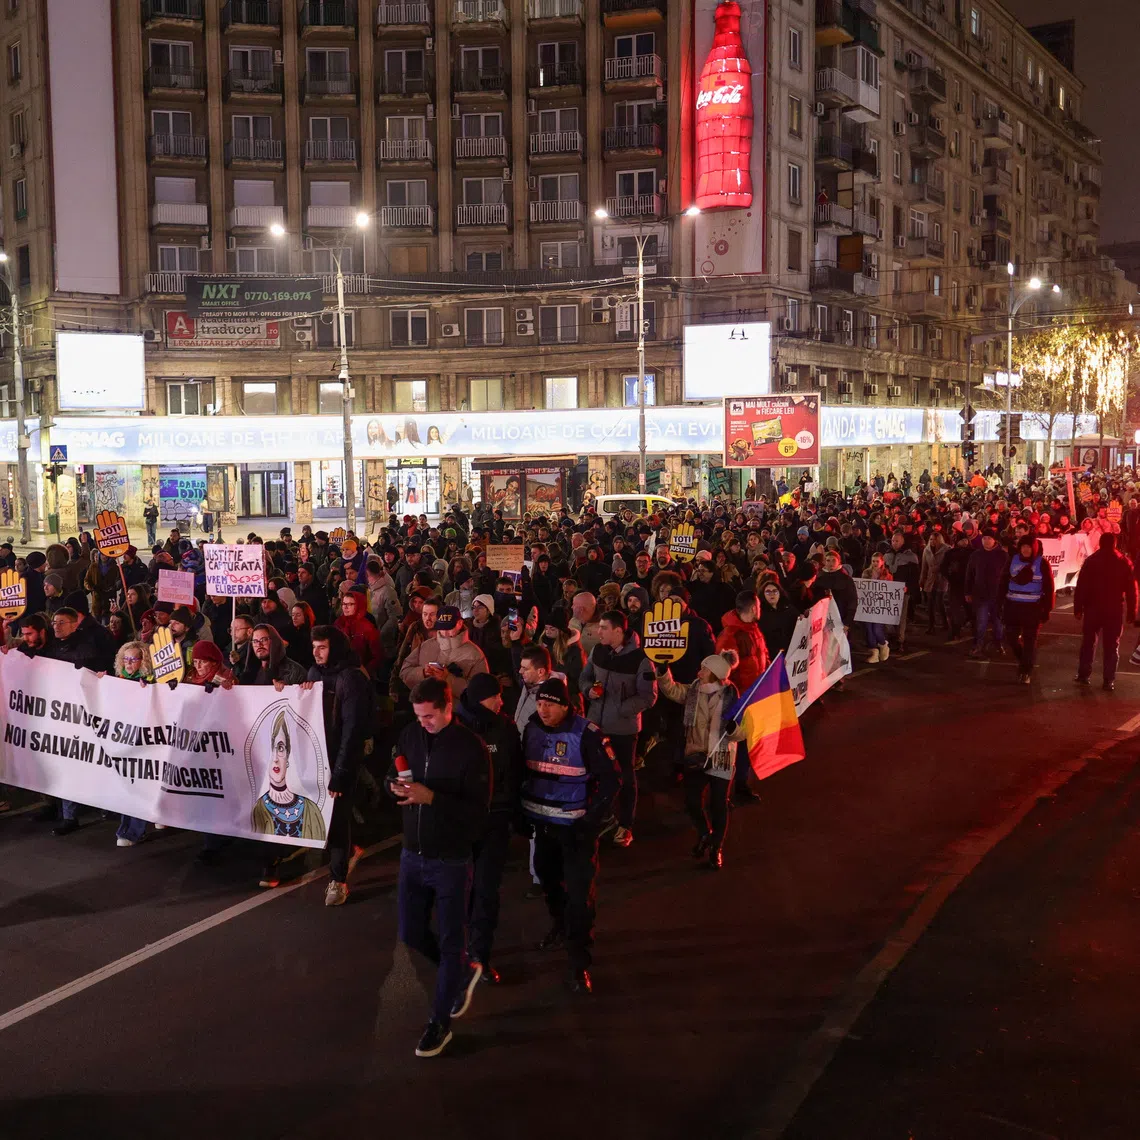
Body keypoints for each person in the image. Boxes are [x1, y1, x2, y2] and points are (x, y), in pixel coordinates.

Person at [386, 678, 491, 1059]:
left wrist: (432, 798)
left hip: (450, 859)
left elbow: (478, 814)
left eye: (429, 716)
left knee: (450, 941)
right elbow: (394, 775)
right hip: (412, 855)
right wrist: (393, 788)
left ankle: (439, 1023)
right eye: (418, 717)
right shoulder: (410, 735)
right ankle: (462, 972)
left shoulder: (471, 749)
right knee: (411, 933)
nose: (423, 723)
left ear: (448, 708)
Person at [522, 677, 621, 995]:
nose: (543, 709)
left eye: (550, 703)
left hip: (576, 832)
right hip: (544, 829)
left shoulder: (587, 734)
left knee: (580, 898)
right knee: (551, 887)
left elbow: (611, 780)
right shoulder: (532, 729)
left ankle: (578, 964)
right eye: (539, 703)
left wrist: (590, 821)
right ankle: (559, 926)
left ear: (566, 705)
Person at [454, 672, 522, 983]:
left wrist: (513, 811)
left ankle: (479, 954)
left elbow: (516, 771)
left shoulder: (505, 728)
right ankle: (457, 949)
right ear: (483, 697)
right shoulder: (454, 727)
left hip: (495, 821)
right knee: (458, 888)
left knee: (486, 890)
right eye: (496, 696)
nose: (501, 701)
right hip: (462, 822)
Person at [657, 650, 744, 869]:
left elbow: (743, 730)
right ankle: (705, 834)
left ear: (715, 673)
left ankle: (716, 848)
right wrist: (663, 673)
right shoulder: (694, 689)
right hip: (696, 753)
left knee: (718, 804)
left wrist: (733, 730)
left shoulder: (732, 695)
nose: (700, 670)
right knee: (692, 801)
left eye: (705, 668)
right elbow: (673, 691)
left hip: (722, 755)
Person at [578, 610, 657, 848]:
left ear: (618, 631)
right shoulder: (598, 651)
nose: (598, 632)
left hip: (623, 729)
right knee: (595, 773)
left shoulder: (641, 659)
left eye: (603, 628)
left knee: (625, 775)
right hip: (596, 725)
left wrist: (621, 707)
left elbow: (649, 697)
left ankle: (626, 824)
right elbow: (585, 677)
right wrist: (588, 691)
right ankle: (601, 818)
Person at [308, 626, 374, 906]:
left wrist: (341, 773)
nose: (316, 652)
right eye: (314, 647)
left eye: (322, 647)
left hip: (340, 760)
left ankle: (338, 880)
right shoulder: (314, 674)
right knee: (327, 819)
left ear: (334, 647)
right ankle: (352, 848)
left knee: (337, 819)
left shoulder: (351, 679)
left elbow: (352, 731)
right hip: (317, 759)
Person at [1074, 532, 1138, 692]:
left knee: (1088, 643)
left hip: (1093, 608)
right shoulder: (1123, 562)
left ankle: (1084, 675)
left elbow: (1081, 586)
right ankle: (1108, 680)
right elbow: (1131, 590)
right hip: (1113, 608)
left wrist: (1078, 607)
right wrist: (1132, 610)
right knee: (1112, 646)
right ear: (1115, 544)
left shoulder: (1091, 561)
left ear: (1101, 543)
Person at [400, 605, 489, 699]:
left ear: (459, 623)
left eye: (449, 628)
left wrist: (448, 678)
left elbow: (481, 692)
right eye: (442, 628)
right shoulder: (425, 646)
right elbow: (404, 672)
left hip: (455, 711)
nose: (445, 633)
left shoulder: (474, 654)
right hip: (426, 708)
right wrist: (423, 673)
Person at [1002, 535, 1055, 685]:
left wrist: (1047, 609)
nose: (1026, 549)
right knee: (1011, 638)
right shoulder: (1012, 560)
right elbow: (1003, 581)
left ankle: (1026, 671)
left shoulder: (1042, 563)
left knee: (1030, 641)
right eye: (1023, 546)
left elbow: (1049, 588)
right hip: (1013, 606)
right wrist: (1000, 602)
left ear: (1034, 548)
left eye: (1029, 547)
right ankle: (1023, 659)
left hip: (1033, 608)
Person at [965, 530, 1009, 659]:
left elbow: (1008, 575)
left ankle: (998, 643)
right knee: (981, 622)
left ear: (994, 540)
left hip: (998, 595)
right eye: (984, 538)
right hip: (980, 594)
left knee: (998, 622)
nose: (986, 540)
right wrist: (967, 591)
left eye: (989, 538)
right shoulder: (976, 555)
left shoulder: (1003, 555)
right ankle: (978, 645)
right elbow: (970, 574)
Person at [860, 552, 894, 663]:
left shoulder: (887, 575)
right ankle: (874, 653)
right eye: (873, 561)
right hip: (868, 606)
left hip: (880, 607)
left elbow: (892, 590)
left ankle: (883, 644)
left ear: (882, 562)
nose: (875, 563)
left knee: (876, 629)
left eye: (877, 561)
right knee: (869, 629)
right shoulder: (866, 572)